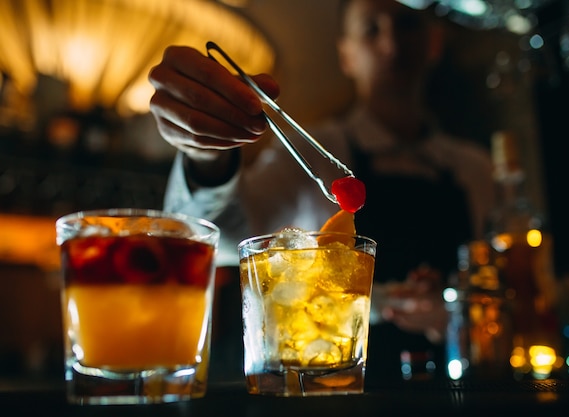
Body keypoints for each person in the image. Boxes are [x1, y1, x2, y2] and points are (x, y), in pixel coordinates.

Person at [148, 0, 495, 384]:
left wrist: (456, 310)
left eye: (407, 24)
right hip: (336, 392)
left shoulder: (477, 169)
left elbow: (505, 291)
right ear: (345, 55)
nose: (392, 44)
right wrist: (205, 154)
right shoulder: (310, 152)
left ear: (434, 42)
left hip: (466, 389)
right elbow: (212, 236)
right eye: (371, 29)